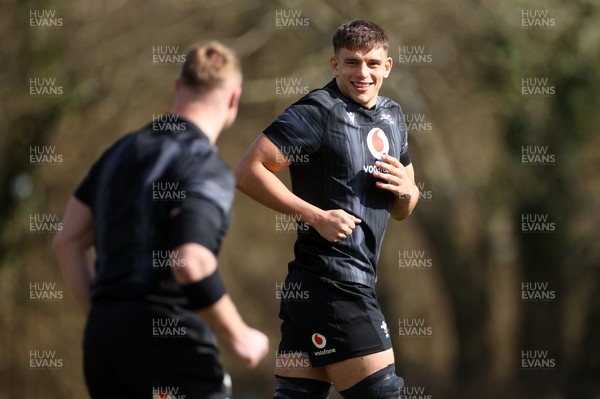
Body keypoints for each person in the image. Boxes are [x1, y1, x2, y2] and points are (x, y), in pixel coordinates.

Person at [53, 41, 269, 399]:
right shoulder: (205, 165)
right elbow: (191, 261)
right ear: (234, 99)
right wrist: (239, 334)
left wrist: (108, 317)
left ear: (176, 86)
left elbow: (67, 241)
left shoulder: (118, 153)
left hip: (104, 348)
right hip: (171, 345)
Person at [235, 20, 419, 398]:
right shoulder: (318, 112)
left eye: (372, 63)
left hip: (315, 288)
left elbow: (404, 208)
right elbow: (248, 171)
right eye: (351, 62)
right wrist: (314, 215)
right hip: (334, 284)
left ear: (388, 66)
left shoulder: (394, 117)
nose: (362, 73)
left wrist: (408, 191)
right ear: (335, 65)